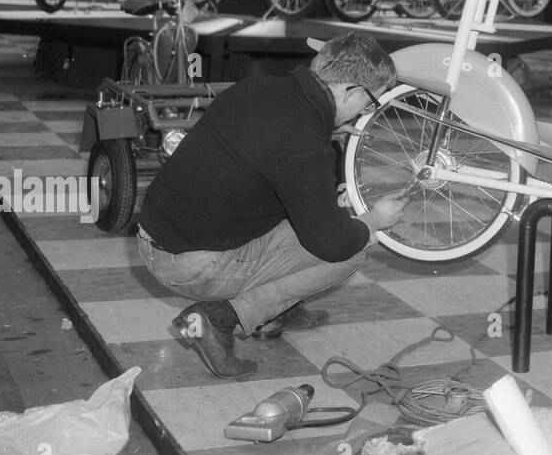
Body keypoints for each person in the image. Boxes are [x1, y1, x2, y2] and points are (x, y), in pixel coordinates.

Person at [136, 33, 409, 378]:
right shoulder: (304, 141)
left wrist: (325, 145)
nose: (365, 113)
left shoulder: (259, 88)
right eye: (369, 104)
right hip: (189, 265)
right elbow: (332, 242)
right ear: (351, 91)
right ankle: (221, 318)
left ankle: (278, 310)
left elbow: (269, 170)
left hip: (157, 236)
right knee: (352, 247)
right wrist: (374, 220)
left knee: (320, 213)